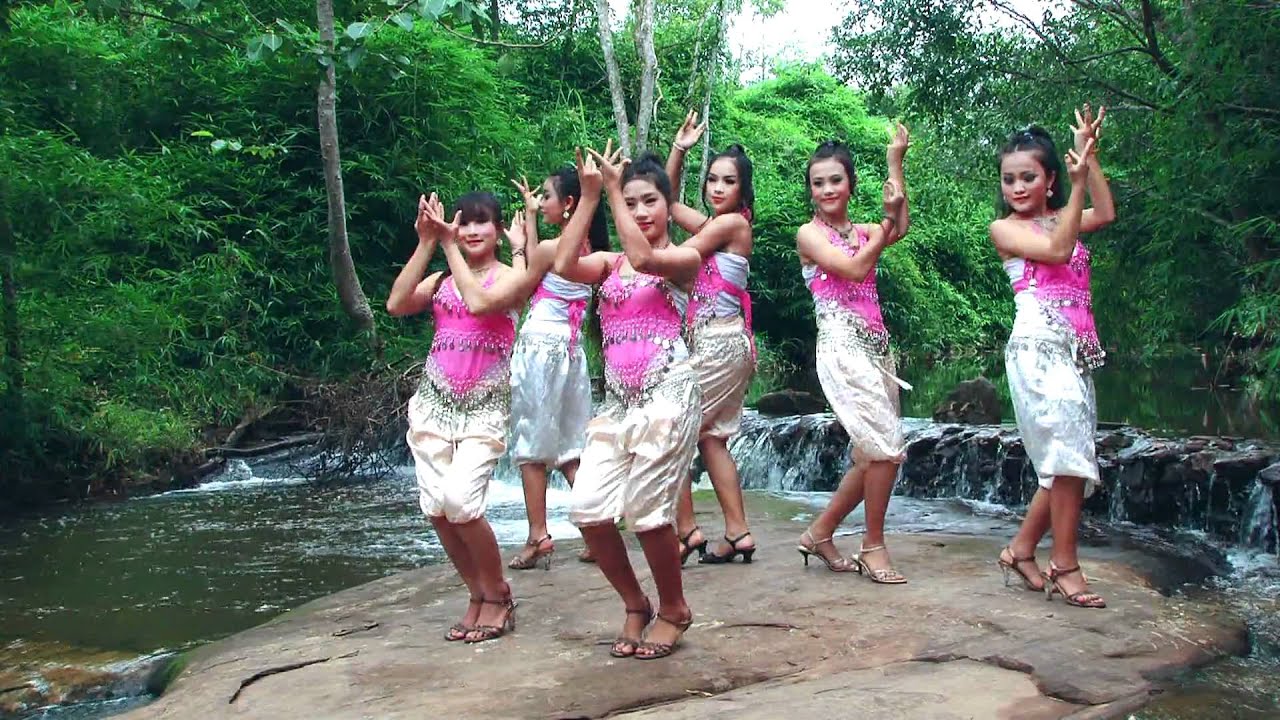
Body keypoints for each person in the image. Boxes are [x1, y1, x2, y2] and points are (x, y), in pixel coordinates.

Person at [554, 144, 702, 659]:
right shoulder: (607, 264)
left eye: (649, 202)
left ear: (668, 206)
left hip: (669, 396)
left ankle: (675, 609)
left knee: (648, 512)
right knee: (587, 509)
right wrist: (590, 196)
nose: (640, 212)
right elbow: (562, 262)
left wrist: (615, 190)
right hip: (619, 404)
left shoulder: (685, 258)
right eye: (632, 202)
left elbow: (644, 258)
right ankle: (636, 604)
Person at [386, 191, 524, 642]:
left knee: (462, 502)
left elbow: (481, 303)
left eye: (482, 223)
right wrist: (427, 241)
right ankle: (477, 594)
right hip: (433, 405)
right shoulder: (442, 279)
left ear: (499, 231)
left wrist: (447, 245)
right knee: (437, 509)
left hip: (484, 407)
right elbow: (397, 303)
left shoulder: (513, 276)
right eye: (463, 223)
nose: (470, 231)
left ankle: (499, 594)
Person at [993, 106, 1114, 609]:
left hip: (1074, 351)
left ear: (1049, 181)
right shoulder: (1004, 230)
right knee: (1068, 459)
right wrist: (1077, 186)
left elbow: (1105, 214)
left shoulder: (1061, 217)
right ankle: (1065, 566)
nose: (1017, 187)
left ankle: (1021, 550)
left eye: (1028, 177)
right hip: (1037, 350)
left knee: (1068, 461)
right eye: (1009, 179)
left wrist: (1089, 157)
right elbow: (1060, 251)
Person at [794, 127, 913, 583]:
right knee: (885, 449)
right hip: (841, 347)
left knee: (871, 455)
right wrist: (884, 225)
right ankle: (872, 546)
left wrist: (895, 163)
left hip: (877, 349)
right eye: (818, 182)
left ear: (851, 183)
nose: (827, 189)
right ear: (810, 189)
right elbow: (856, 267)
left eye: (835, 180)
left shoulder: (861, 230)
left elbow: (899, 226)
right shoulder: (809, 235)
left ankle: (819, 532)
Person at [663, 111, 759, 565]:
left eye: (729, 182)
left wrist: (640, 258)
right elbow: (664, 204)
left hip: (719, 343)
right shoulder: (713, 224)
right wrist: (678, 150)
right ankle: (738, 533)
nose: (718, 188)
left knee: (673, 429)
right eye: (713, 180)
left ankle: (685, 531)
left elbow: (678, 258)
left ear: (743, 191)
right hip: (722, 343)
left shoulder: (731, 225)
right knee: (711, 438)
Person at [505, 164, 611, 570]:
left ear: (569, 203)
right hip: (570, 351)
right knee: (570, 448)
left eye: (546, 196)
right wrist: (532, 217)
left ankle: (538, 535)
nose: (541, 201)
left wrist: (518, 247)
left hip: (539, 347)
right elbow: (544, 263)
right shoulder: (594, 253)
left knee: (531, 447)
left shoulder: (554, 249)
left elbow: (525, 281)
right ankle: (596, 530)